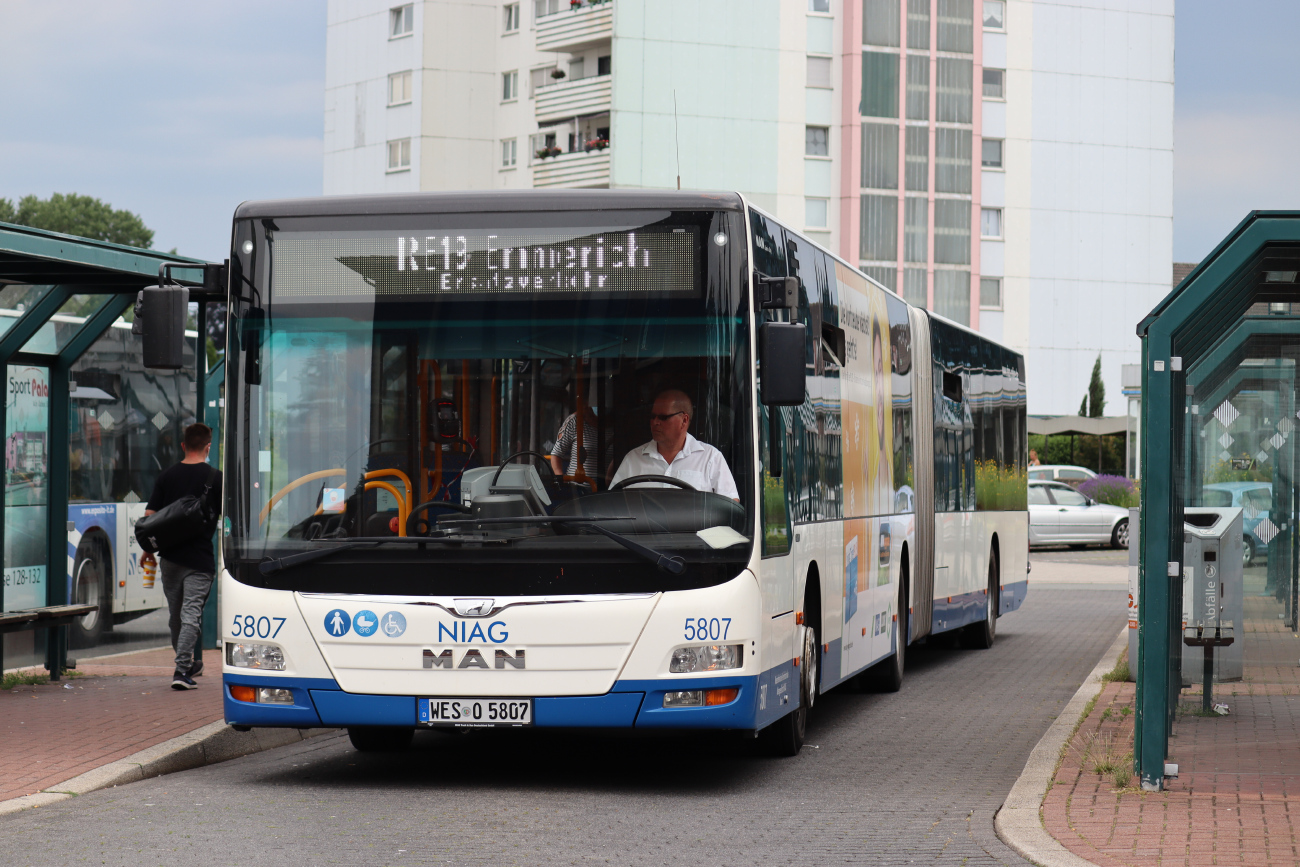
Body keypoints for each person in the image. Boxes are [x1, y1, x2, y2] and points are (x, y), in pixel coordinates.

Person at [145, 423, 222, 691]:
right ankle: (181, 669)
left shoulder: (167, 477)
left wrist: (148, 552)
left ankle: (186, 664)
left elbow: (149, 518)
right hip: (200, 561)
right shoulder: (216, 478)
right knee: (191, 615)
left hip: (170, 559)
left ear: (183, 445)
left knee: (176, 617)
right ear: (208, 447)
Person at [609, 389, 739, 499]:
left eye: (663, 417)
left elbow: (730, 505)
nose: (655, 422)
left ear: (684, 420)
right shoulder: (633, 459)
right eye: (652, 416)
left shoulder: (710, 457)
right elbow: (613, 504)